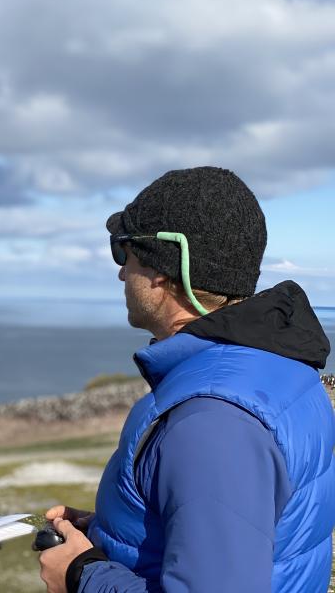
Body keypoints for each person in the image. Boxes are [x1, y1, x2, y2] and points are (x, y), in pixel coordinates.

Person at [38, 167, 335, 592]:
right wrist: (117, 529)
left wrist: (81, 574)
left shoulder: (213, 424)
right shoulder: (278, 366)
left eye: (125, 254)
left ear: (161, 271)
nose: (122, 273)